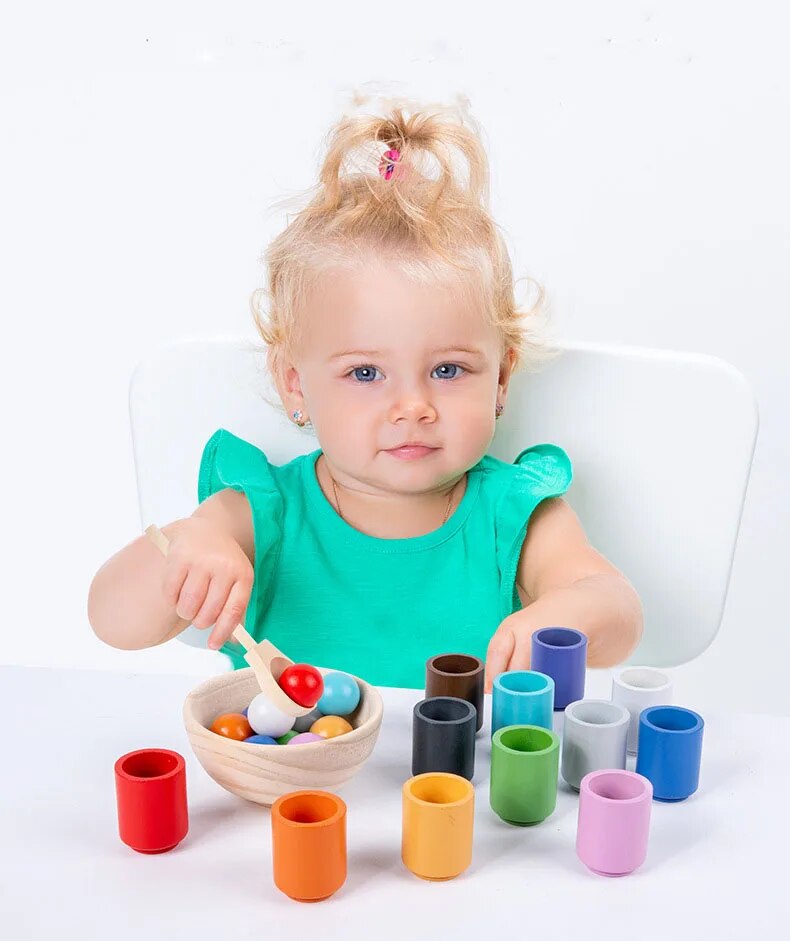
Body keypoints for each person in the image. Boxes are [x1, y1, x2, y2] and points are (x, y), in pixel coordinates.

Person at [88, 94, 643, 692]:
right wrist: (190, 546)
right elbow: (112, 620)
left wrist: (568, 613)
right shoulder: (262, 511)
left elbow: (618, 611)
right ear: (295, 383)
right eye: (365, 374)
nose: (413, 407)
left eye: (450, 370)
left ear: (501, 377)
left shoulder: (512, 514)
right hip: (296, 777)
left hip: (460, 783)